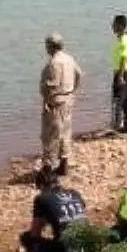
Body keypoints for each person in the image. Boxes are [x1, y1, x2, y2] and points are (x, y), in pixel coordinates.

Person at [19, 165, 89, 252]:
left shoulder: (42, 198)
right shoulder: (74, 193)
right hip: (88, 248)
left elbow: (35, 233)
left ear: (42, 185)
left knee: (27, 238)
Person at [40, 33, 82, 177]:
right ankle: (64, 165)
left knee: (51, 135)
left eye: (47, 45)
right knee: (65, 132)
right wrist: (73, 91)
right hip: (68, 99)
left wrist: (46, 102)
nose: (46, 48)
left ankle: (49, 170)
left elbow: (50, 86)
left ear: (51, 46)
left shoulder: (53, 63)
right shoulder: (69, 59)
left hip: (56, 102)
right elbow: (79, 74)